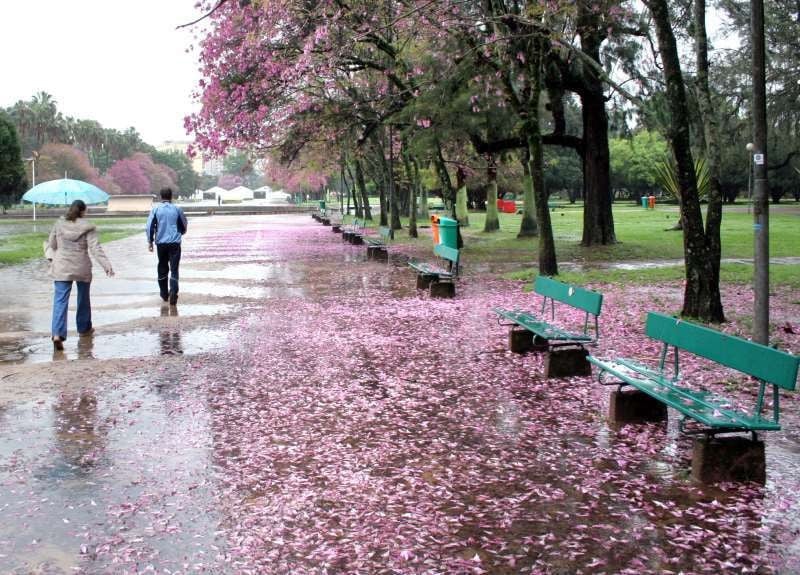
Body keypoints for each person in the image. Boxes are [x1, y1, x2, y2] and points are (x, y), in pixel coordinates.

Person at [45, 200, 114, 350]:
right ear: (82, 211)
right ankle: (84, 329)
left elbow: (52, 244)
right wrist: (107, 265)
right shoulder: (88, 227)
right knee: (83, 299)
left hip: (62, 266)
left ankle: (57, 334)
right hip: (81, 266)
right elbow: (95, 249)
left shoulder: (59, 224)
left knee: (60, 301)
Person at [146, 187, 188, 306]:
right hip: (174, 243)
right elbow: (184, 224)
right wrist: (181, 232)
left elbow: (149, 226)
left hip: (161, 243)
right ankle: (173, 291)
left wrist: (150, 241)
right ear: (171, 196)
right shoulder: (177, 209)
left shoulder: (156, 209)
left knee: (162, 266)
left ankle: (164, 293)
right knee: (174, 269)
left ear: (161, 196)